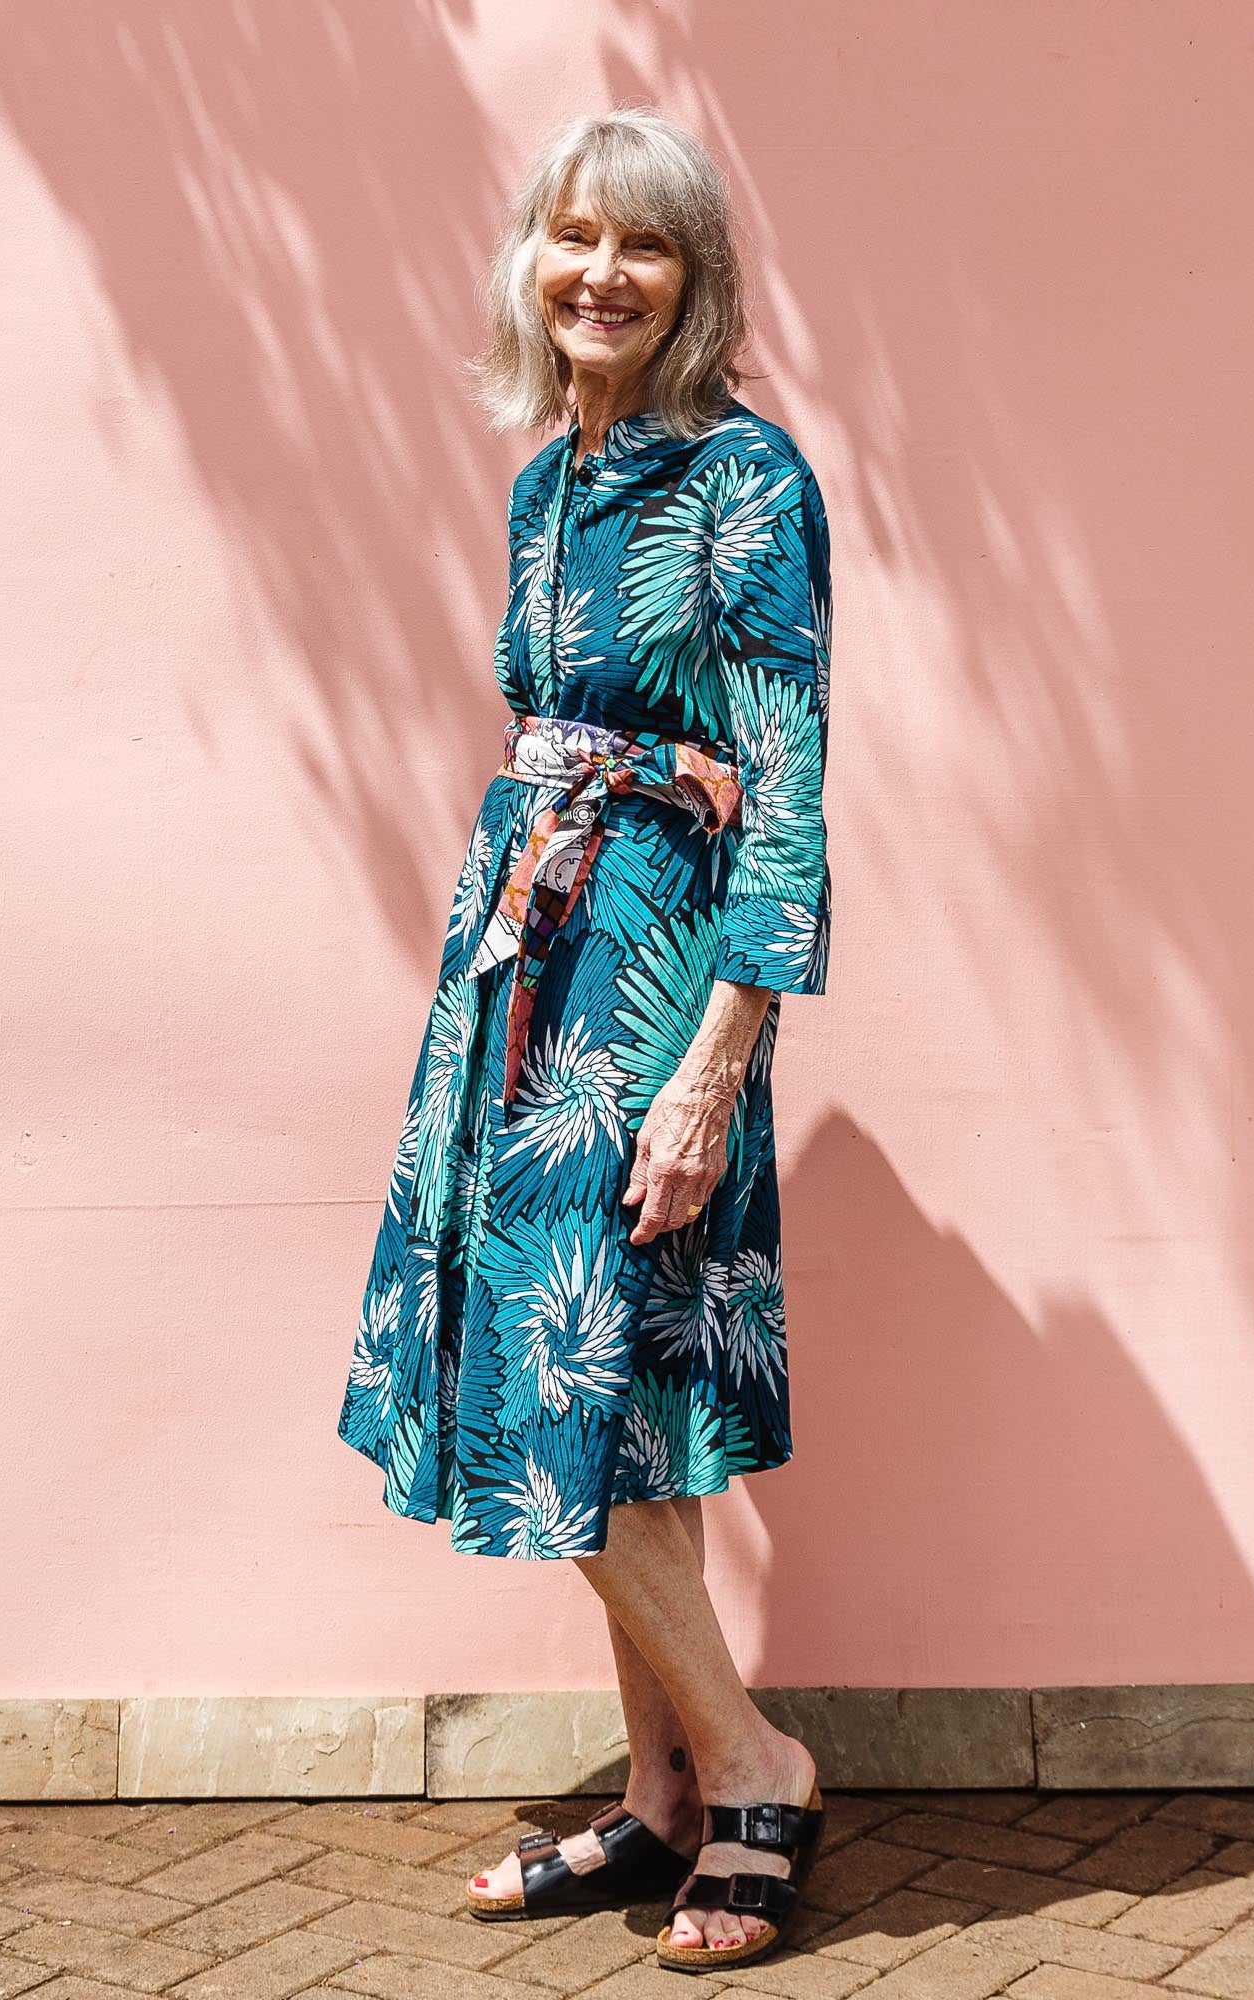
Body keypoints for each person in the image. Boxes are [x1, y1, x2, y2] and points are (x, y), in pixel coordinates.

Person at [336, 105, 832, 1973]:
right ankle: (656, 1800)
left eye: (647, 248)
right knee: (616, 1406)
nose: (601, 275)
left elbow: (783, 794)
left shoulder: (746, 480)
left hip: (645, 989)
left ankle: (758, 1762)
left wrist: (715, 1062)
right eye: (573, 238)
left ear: (695, 284)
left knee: (573, 1393)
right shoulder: (553, 474)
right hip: (517, 969)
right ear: (530, 263)